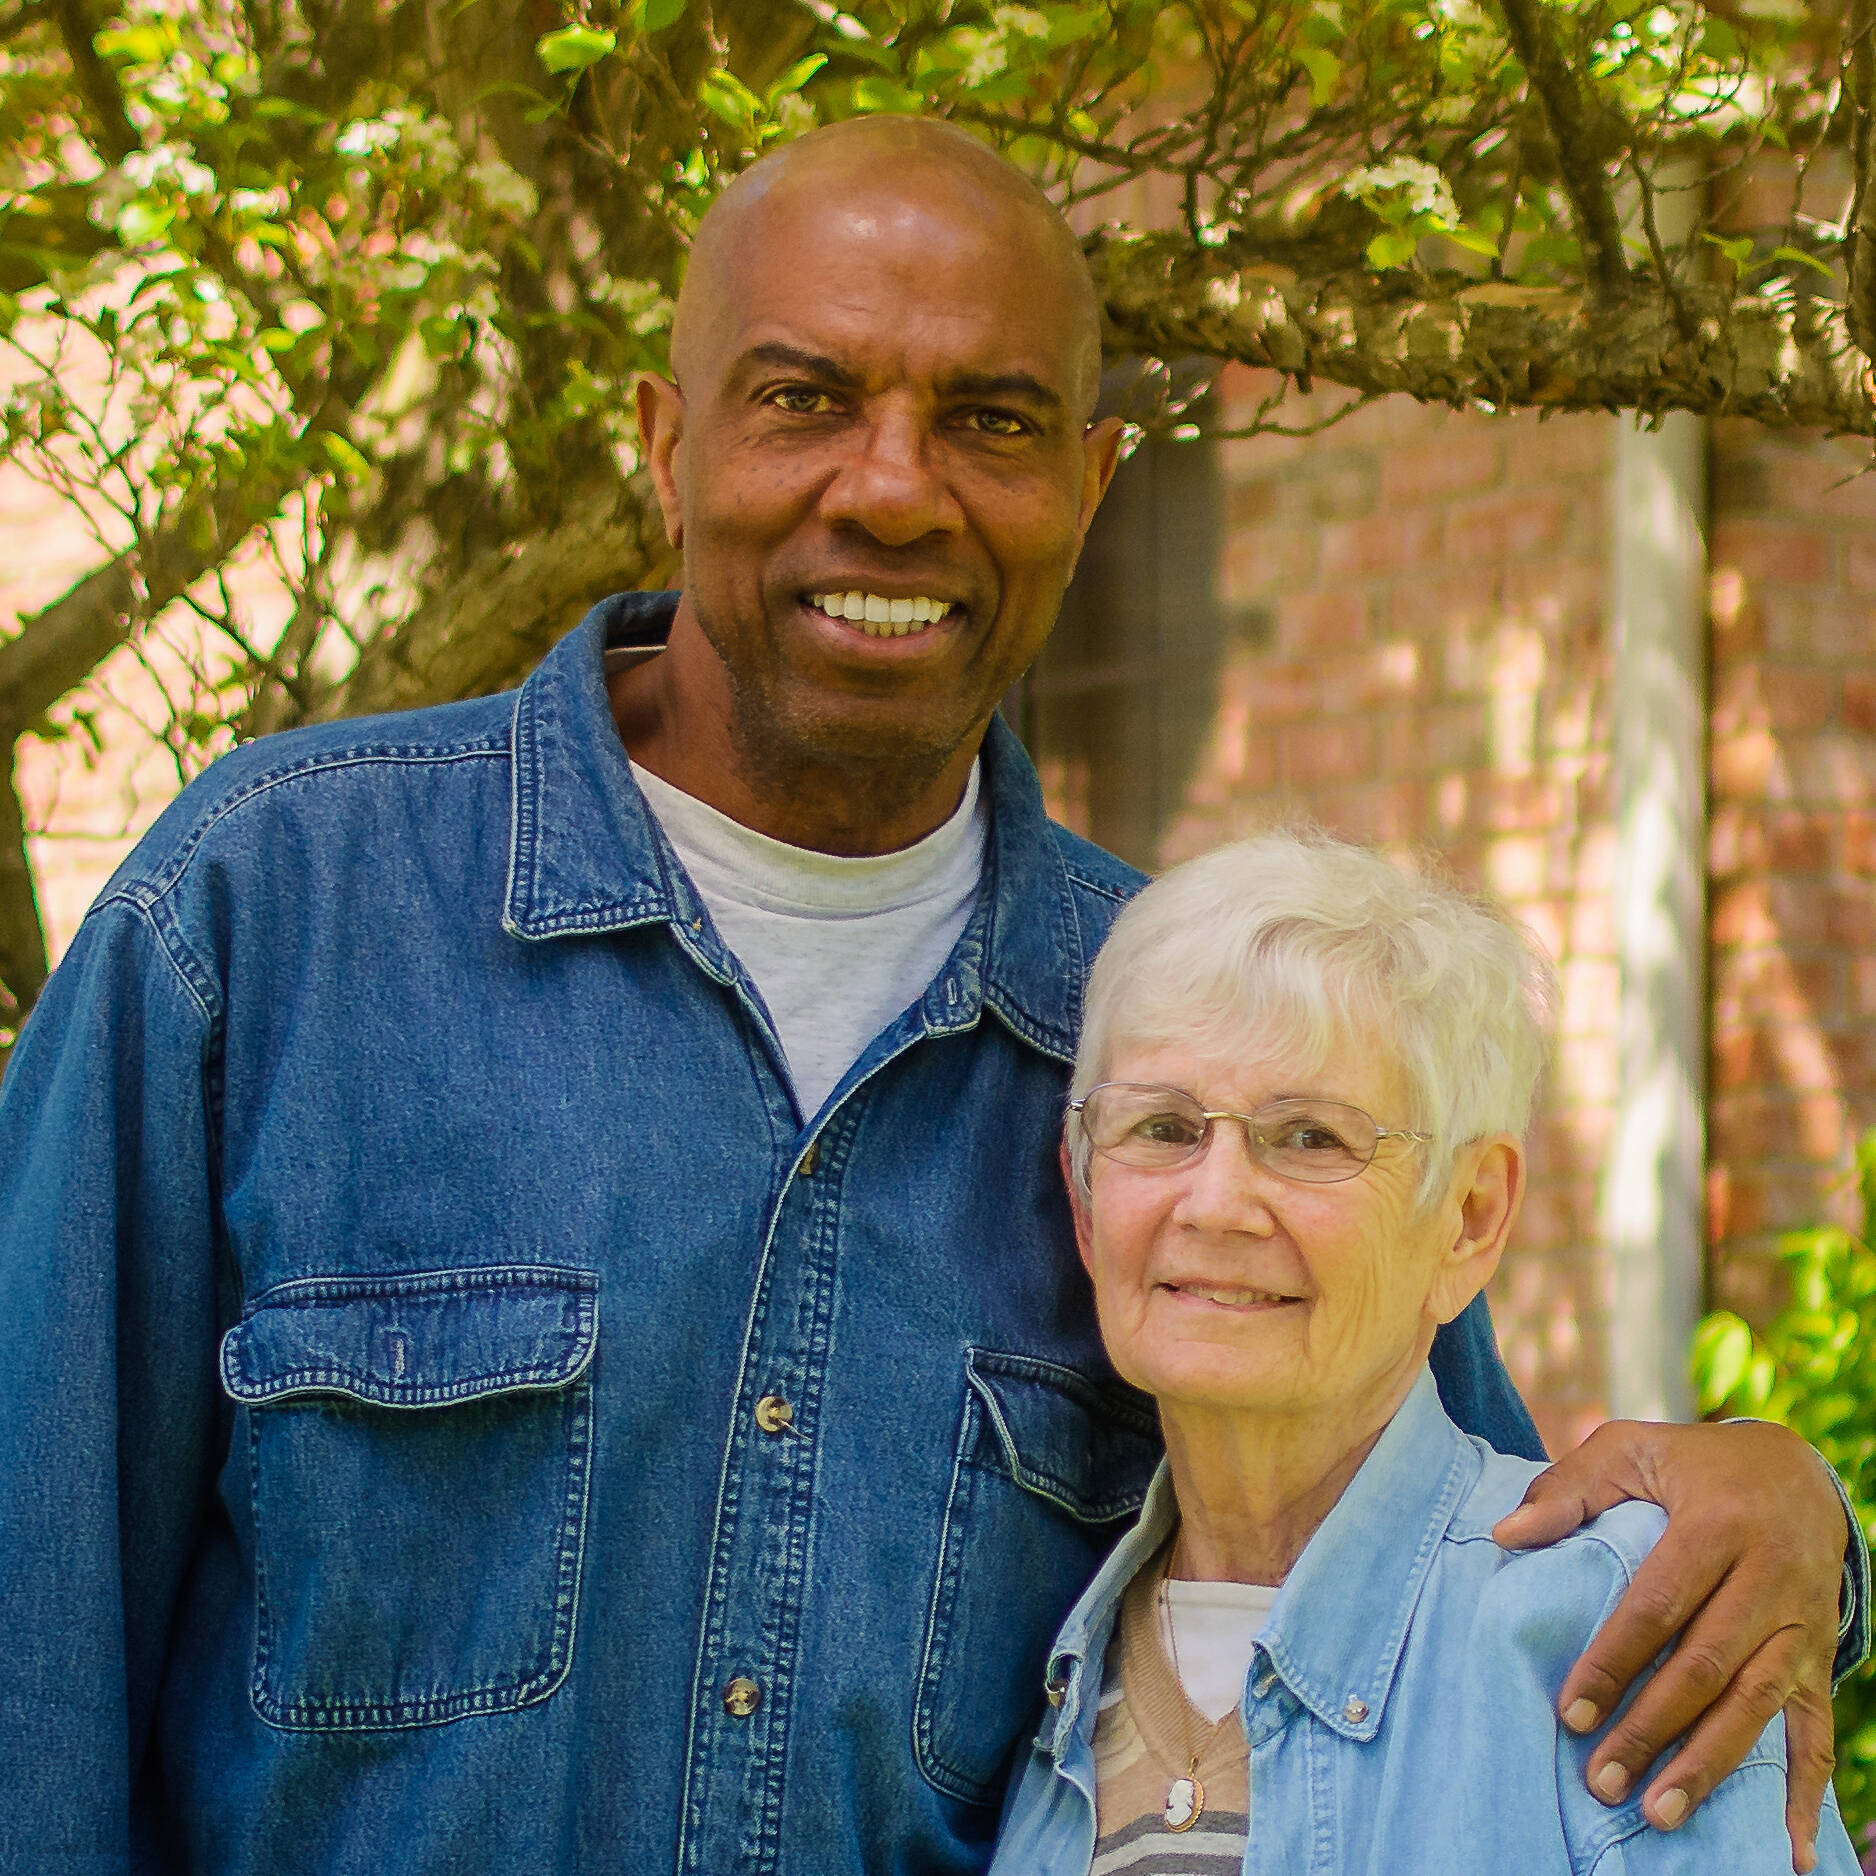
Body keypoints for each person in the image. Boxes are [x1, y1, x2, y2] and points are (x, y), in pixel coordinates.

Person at [0, 116, 1860, 1876]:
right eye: (802, 398)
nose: (890, 491)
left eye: (988, 420)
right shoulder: (265, 921)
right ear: (664, 444)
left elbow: (1449, 1556)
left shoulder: (1180, 1044)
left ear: (1085, 483)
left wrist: (1786, 1517)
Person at [990, 831, 1862, 1876]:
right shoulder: (1049, 1681)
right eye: (1164, 1128)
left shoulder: (1620, 1621)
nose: (1215, 1200)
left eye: (1310, 1136)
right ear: (1086, 1202)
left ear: (1467, 1219)